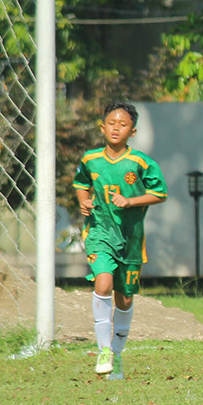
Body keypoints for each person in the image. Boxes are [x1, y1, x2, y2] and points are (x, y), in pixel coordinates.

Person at [73, 102, 167, 379]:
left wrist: (131, 200)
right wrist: (84, 202)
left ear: (133, 131)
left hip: (131, 238)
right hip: (100, 231)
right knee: (103, 281)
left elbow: (159, 193)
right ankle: (104, 350)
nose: (116, 128)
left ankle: (117, 353)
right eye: (111, 123)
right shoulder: (90, 159)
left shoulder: (141, 163)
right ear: (102, 128)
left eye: (122, 124)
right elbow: (81, 183)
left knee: (124, 299)